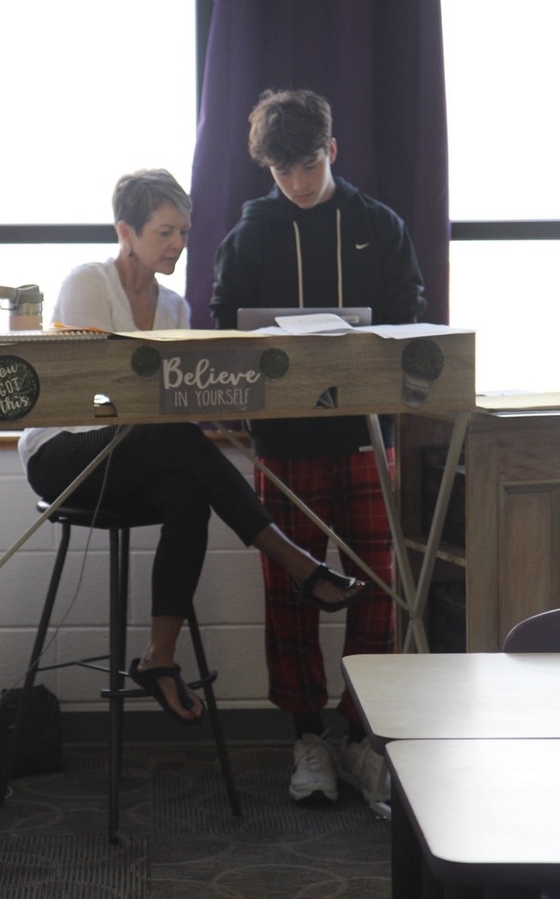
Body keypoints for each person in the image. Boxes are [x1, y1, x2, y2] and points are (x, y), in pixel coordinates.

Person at [18, 168, 369, 727]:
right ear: (125, 232)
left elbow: (160, 406)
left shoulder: (177, 309)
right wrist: (165, 408)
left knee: (188, 492)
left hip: (138, 455)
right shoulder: (89, 282)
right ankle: (296, 561)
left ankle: (159, 660)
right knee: (178, 435)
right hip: (64, 454)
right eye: (165, 232)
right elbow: (88, 395)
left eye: (184, 232)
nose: (179, 244)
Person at [210, 90, 426, 805]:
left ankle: (362, 738)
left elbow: (407, 315)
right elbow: (223, 327)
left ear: (330, 152)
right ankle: (306, 737)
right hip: (284, 441)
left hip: (365, 434)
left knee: (377, 588)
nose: (296, 183)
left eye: (306, 165)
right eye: (281, 171)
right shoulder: (249, 232)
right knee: (290, 588)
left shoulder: (377, 224)